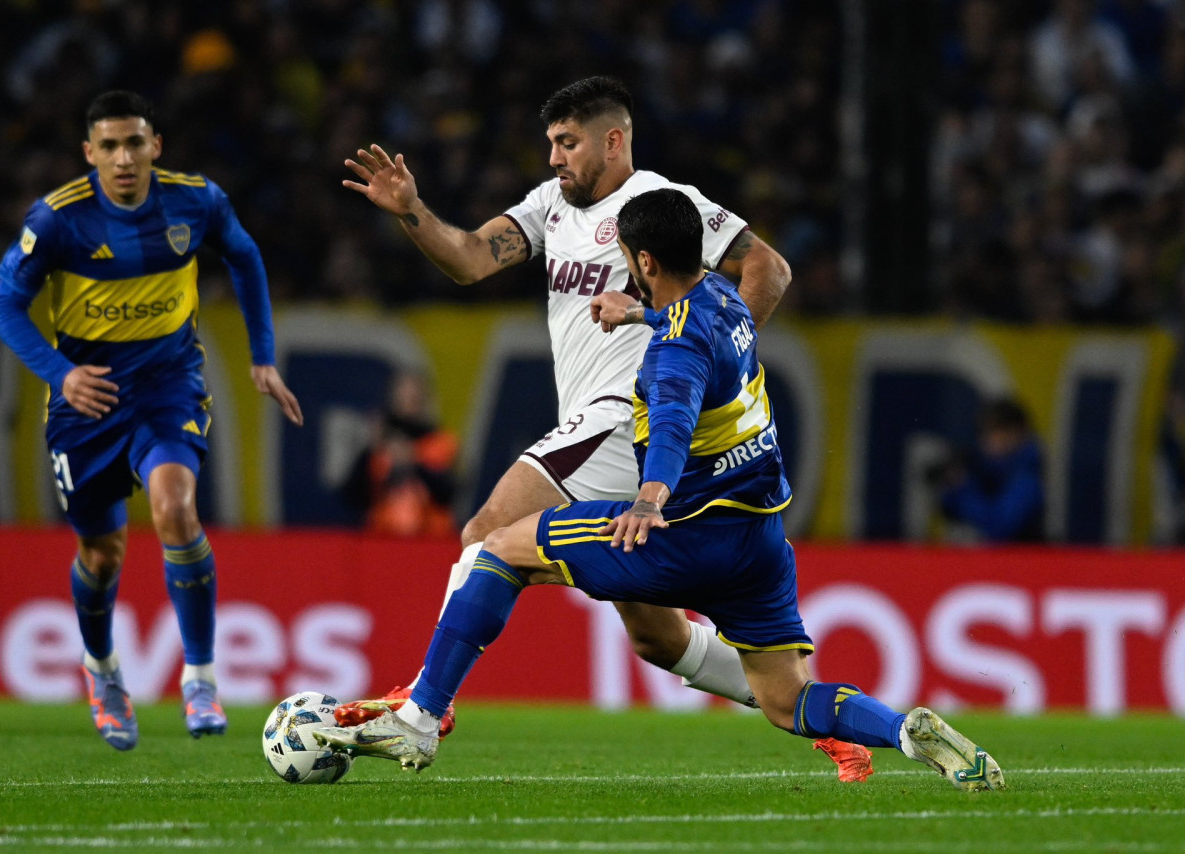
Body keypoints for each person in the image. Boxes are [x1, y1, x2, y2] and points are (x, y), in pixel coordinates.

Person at [314, 188, 1006, 792]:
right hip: (759, 541)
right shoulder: (726, 302)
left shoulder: (672, 355)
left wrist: (648, 500)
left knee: (497, 547)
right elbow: (692, 334)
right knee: (787, 699)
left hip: (687, 532)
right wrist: (639, 317)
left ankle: (422, 718)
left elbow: (672, 420)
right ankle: (905, 732)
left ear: (645, 263)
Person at [333, 76, 871, 780]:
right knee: (657, 636)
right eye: (550, 144)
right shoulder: (548, 205)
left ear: (613, 141)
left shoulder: (660, 205)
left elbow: (768, 265)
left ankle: (425, 706)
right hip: (601, 426)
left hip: (625, 414)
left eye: (568, 143)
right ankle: (816, 715)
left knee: (484, 533)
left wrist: (709, 357)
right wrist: (411, 212)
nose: (555, 158)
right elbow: (468, 259)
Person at [0, 90, 304, 750]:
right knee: (101, 556)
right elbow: (6, 309)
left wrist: (263, 357)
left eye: (135, 143)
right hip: (88, 399)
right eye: (108, 146)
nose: (123, 158)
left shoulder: (196, 201)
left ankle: (200, 675)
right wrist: (61, 375)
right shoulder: (56, 220)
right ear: (89, 154)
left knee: (175, 510)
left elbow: (244, 256)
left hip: (167, 385)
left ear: (155, 146)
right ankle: (103, 672)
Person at [340, 368, 458, 537]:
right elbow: (352, 497)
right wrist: (371, 450)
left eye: (415, 395)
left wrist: (413, 461)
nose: (410, 400)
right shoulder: (378, 447)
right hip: (382, 539)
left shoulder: (441, 442)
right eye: (404, 394)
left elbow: (448, 493)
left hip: (431, 541)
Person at [935, 396, 1046, 543]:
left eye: (995, 432)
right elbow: (948, 509)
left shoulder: (1027, 477)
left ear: (1015, 432)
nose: (988, 441)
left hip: (1021, 561)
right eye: (985, 433)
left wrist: (963, 489)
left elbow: (1000, 528)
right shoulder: (985, 469)